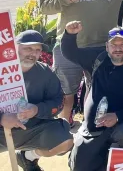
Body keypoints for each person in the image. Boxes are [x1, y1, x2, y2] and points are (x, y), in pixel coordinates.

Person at [39, 0, 123, 125]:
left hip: (99, 48)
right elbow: (43, 7)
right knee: (66, 92)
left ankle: (88, 124)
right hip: (69, 46)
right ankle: (64, 125)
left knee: (95, 89)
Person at [61, 22, 123, 171]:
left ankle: (117, 159)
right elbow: (69, 52)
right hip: (95, 125)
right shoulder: (97, 59)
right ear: (107, 46)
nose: (118, 48)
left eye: (122, 44)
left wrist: (118, 116)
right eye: (114, 44)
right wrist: (69, 34)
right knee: (79, 166)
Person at [0, 30, 72, 171]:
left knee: (65, 140)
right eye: (28, 48)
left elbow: (58, 102)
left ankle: (28, 157)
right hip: (2, 132)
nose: (33, 54)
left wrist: (37, 109)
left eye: (37, 50)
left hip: (33, 129)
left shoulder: (45, 73)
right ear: (15, 47)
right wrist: (1, 117)